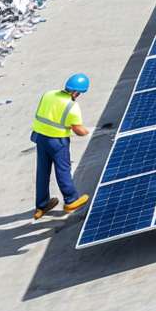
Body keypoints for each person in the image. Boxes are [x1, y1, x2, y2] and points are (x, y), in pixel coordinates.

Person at [31, 74, 92, 219]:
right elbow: (78, 129)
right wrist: (90, 133)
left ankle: (42, 205)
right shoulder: (72, 106)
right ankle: (71, 200)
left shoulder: (48, 94)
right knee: (62, 169)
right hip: (57, 141)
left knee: (42, 171)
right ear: (76, 93)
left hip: (40, 137)